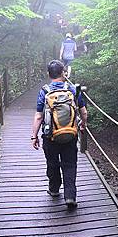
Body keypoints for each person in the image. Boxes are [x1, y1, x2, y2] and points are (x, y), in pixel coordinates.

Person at [31, 60, 88, 209]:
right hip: (70, 134)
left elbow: (39, 116)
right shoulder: (72, 89)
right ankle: (70, 196)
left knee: (52, 163)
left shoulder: (44, 91)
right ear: (63, 73)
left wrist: (34, 136)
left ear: (48, 74)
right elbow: (83, 111)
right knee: (69, 164)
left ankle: (54, 190)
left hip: (50, 136)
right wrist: (83, 124)